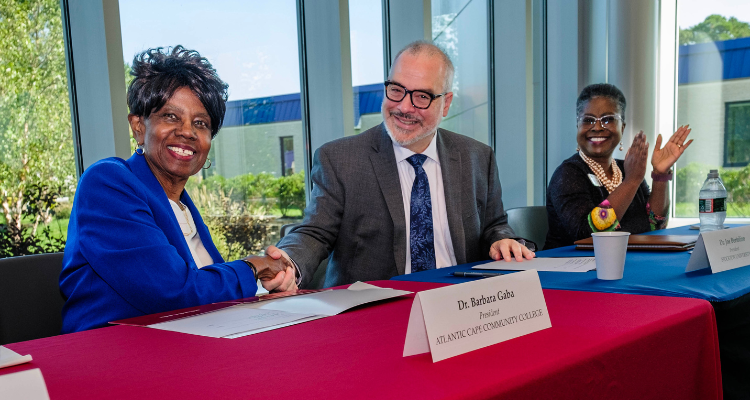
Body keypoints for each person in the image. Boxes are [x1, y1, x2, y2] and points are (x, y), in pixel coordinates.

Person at [60, 46, 296, 333]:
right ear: (138, 126)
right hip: (116, 355)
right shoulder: (107, 182)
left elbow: (208, 294)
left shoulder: (181, 206)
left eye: (201, 123)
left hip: (186, 347)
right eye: (171, 117)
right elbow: (173, 294)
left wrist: (272, 278)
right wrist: (253, 267)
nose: (187, 131)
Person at [272, 41, 534, 288]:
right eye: (396, 90)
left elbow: (493, 224)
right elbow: (314, 232)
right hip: (375, 312)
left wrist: (502, 240)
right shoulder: (339, 159)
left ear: (446, 104)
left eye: (422, 96)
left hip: (459, 303)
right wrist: (289, 263)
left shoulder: (477, 156)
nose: (404, 107)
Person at [545, 83, 693, 249]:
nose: (597, 127)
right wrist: (631, 182)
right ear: (577, 126)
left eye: (608, 119)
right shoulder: (568, 174)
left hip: (628, 263)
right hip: (573, 268)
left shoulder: (627, 169)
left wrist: (660, 174)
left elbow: (655, 225)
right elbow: (587, 235)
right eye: (588, 120)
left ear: (622, 127)